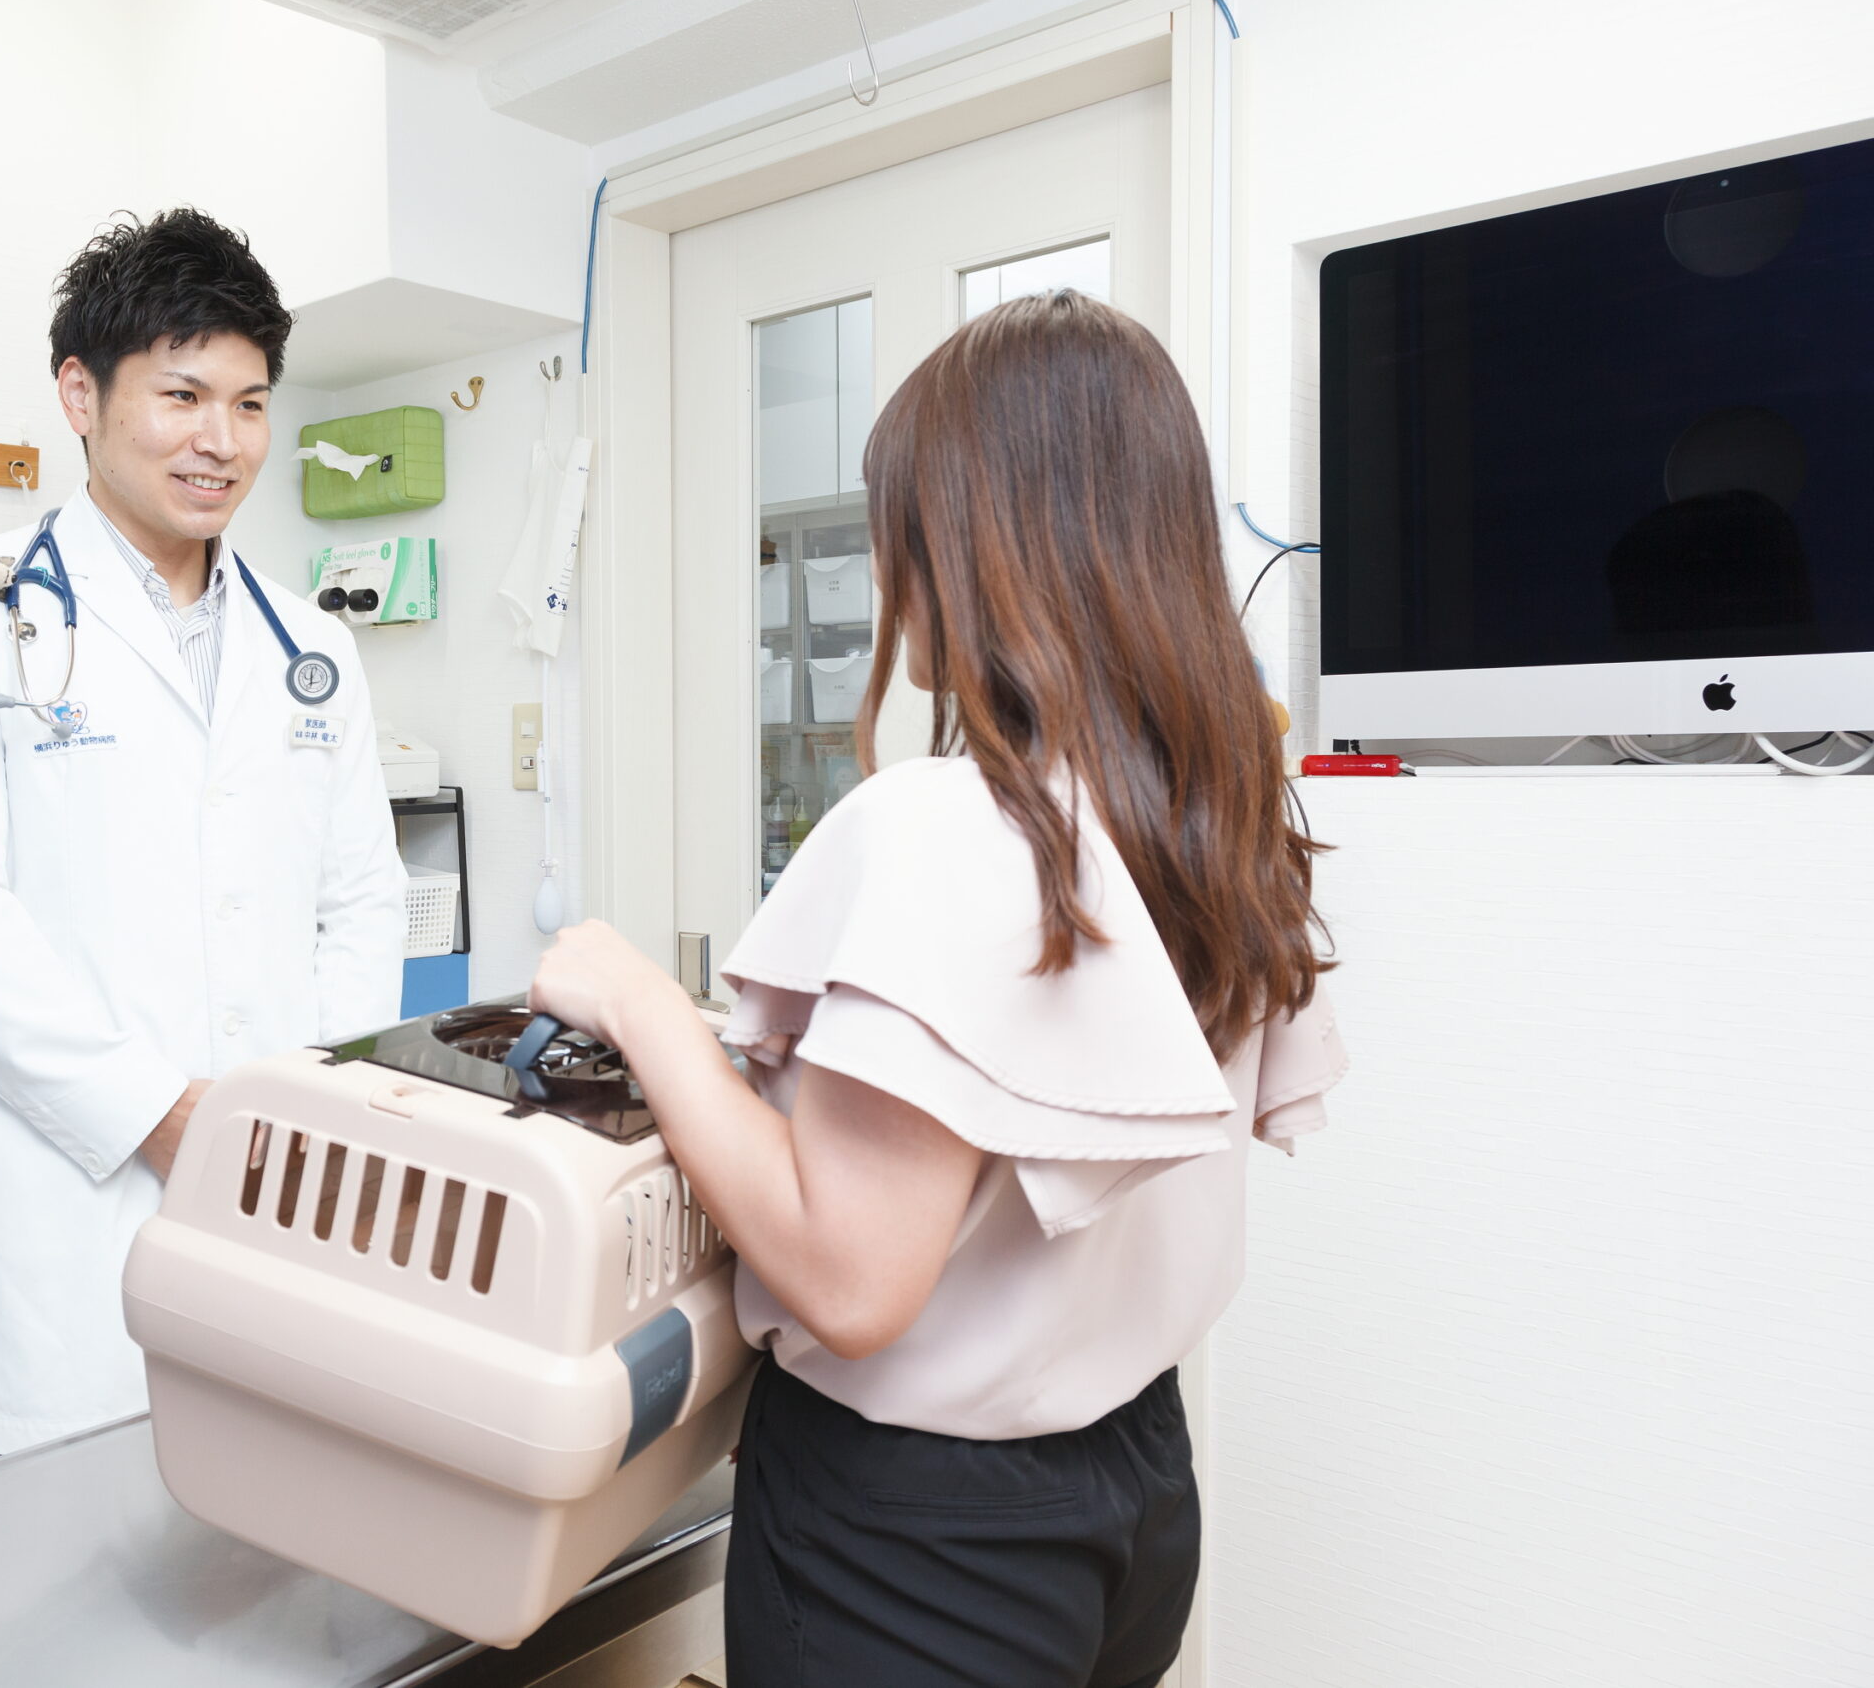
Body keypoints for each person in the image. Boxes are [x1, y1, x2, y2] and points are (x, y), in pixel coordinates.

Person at [528, 290, 1346, 1687]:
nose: (888, 561)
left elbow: (851, 1275)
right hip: (1136, 1492)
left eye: (901, 519)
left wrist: (633, 997)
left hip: (919, 1540)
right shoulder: (1215, 812)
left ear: (981, 541)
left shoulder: (954, 823)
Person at [0, 210, 405, 1454]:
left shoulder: (311, 647)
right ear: (80, 393)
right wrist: (159, 1116)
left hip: (287, 1190)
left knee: (289, 1565)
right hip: (73, 1205)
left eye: (251, 402)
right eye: (181, 394)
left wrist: (308, 1109)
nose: (222, 441)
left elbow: (360, 899)